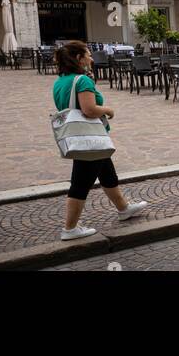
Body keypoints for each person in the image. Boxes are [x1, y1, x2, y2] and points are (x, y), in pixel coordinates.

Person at [52, 41, 148, 241]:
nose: (92, 58)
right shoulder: (83, 81)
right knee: (80, 183)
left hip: (81, 136)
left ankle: (123, 208)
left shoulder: (60, 81)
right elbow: (89, 110)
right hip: (88, 138)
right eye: (88, 54)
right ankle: (69, 228)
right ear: (78, 58)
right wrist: (108, 110)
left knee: (107, 173)